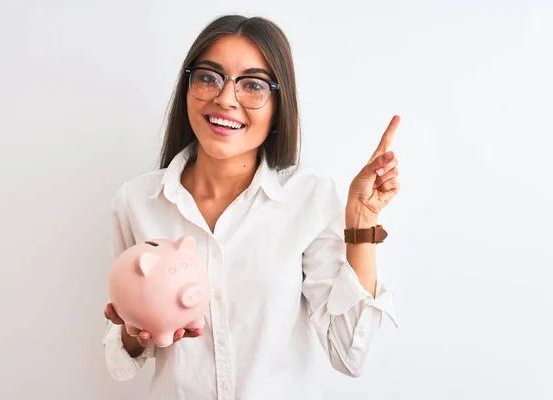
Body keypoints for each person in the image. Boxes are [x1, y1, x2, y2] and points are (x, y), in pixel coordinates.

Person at [102, 14, 400, 400]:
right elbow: (120, 362)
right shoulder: (136, 202)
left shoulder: (307, 196)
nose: (225, 99)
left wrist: (362, 222)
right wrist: (134, 331)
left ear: (279, 104)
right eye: (208, 76)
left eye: (253, 86)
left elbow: (351, 356)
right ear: (187, 86)